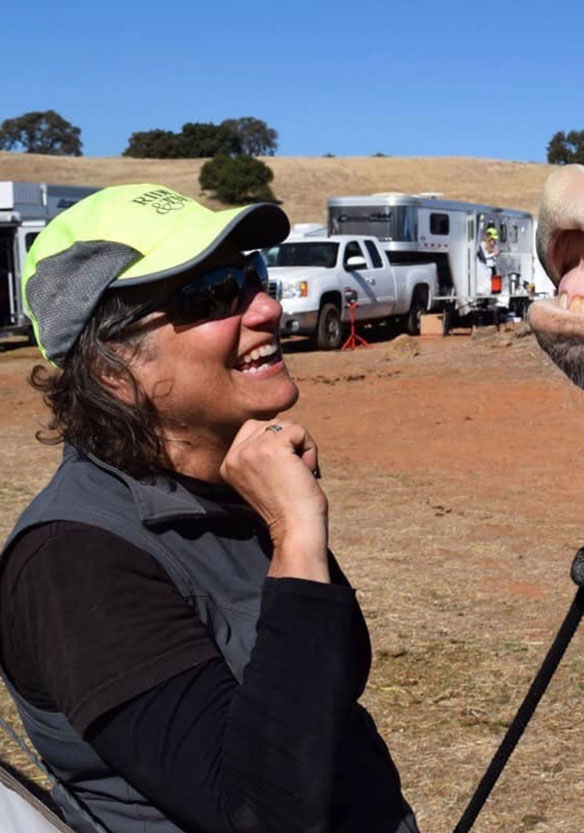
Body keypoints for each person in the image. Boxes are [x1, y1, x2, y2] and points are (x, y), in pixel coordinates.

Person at [0, 184, 421, 833]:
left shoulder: (227, 484)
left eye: (254, 274)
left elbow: (336, 677)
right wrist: (297, 537)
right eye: (214, 294)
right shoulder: (74, 560)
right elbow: (262, 810)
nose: (267, 306)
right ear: (115, 369)